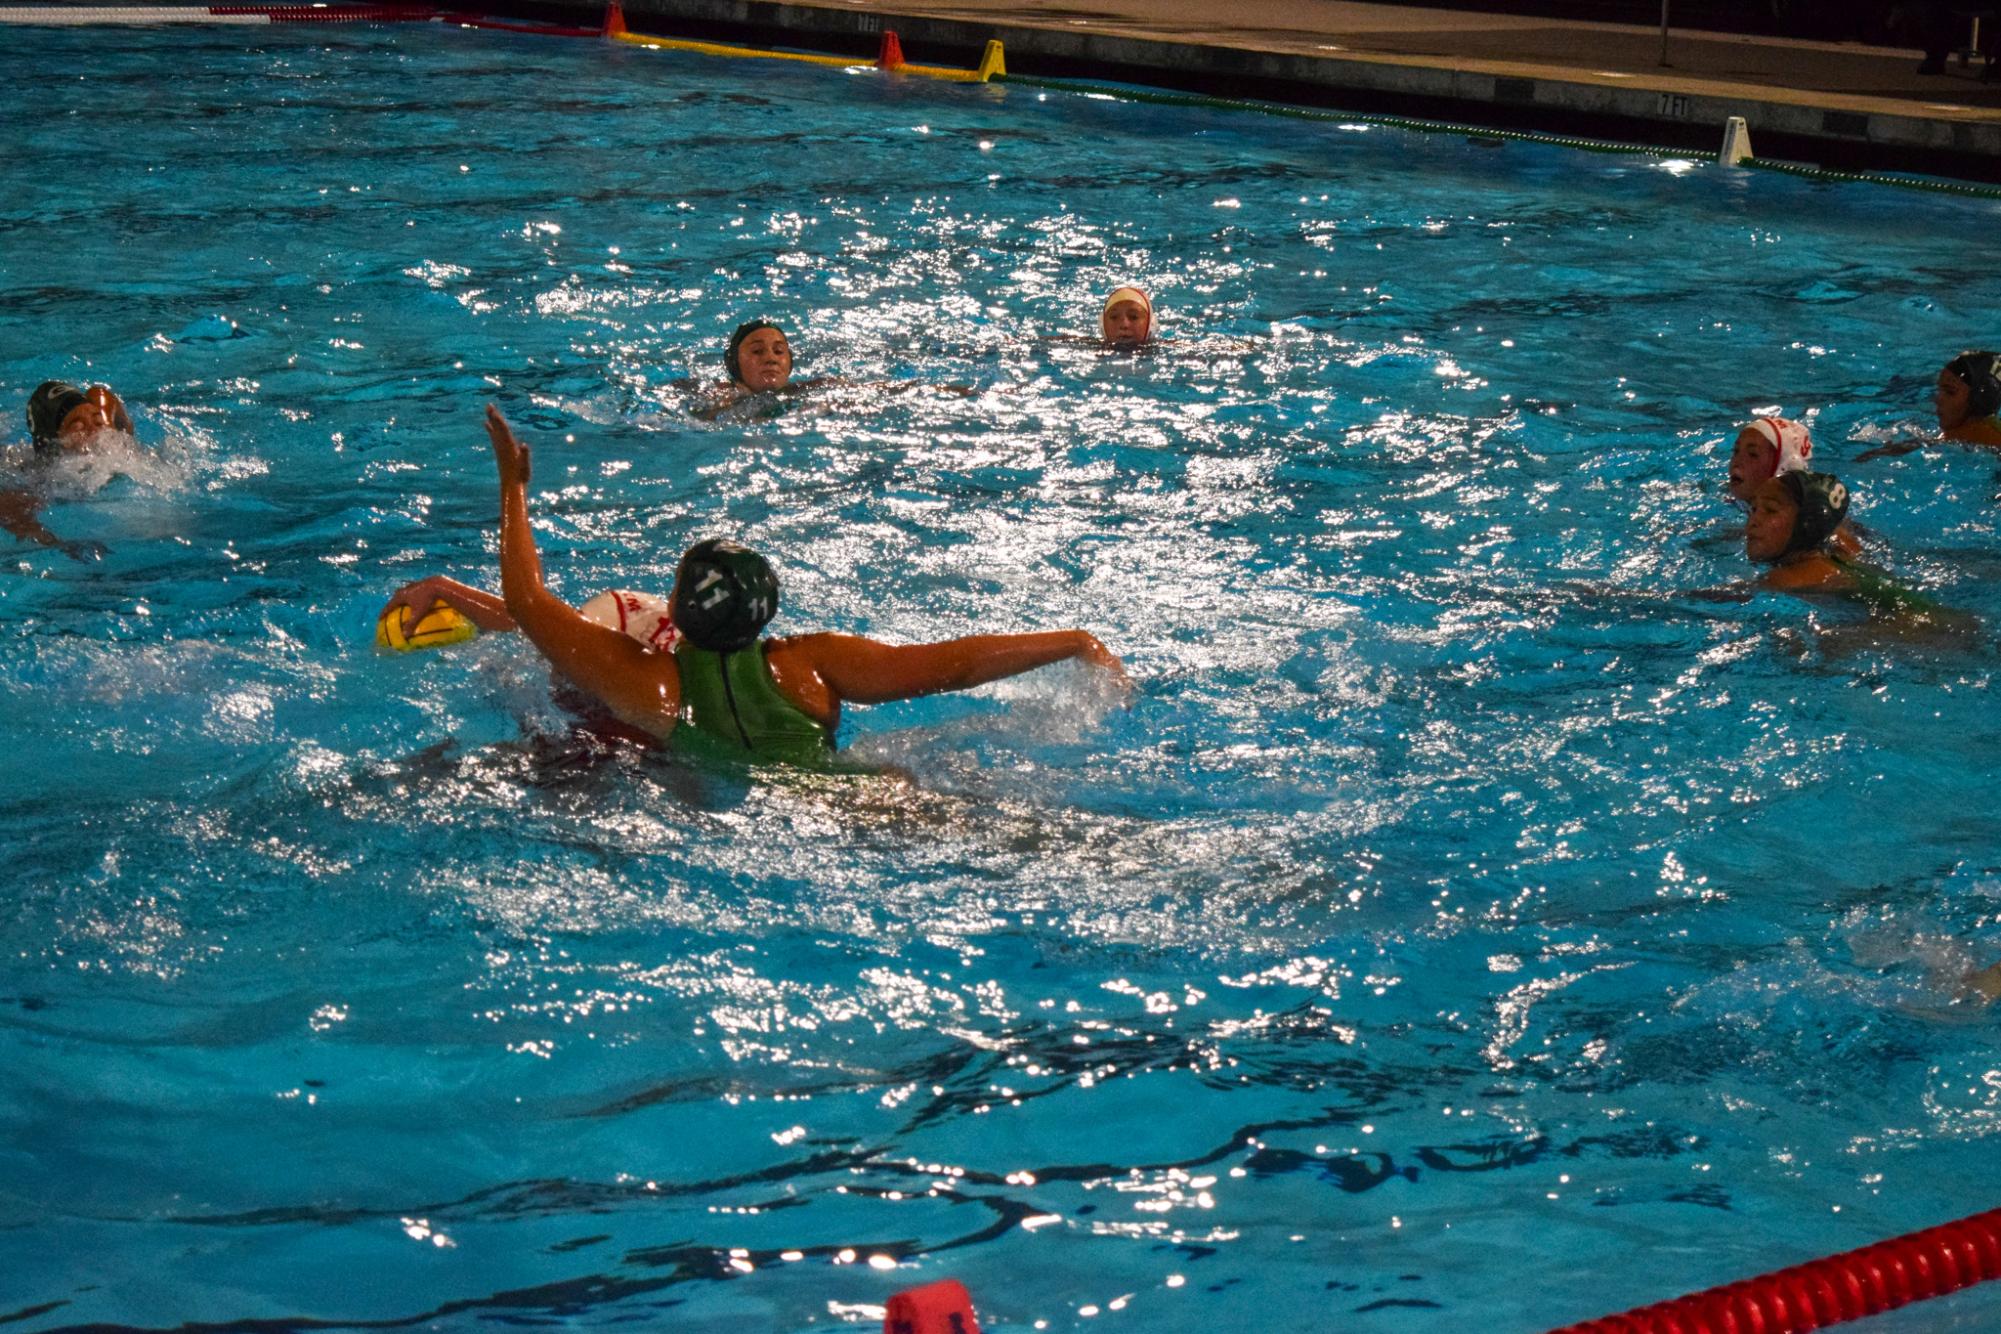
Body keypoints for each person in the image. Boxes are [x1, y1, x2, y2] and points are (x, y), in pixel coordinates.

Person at [477, 404, 1128, 762]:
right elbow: (956, 665)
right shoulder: (811, 665)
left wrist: (514, 488)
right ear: (767, 611)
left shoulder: (648, 681)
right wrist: (1071, 639)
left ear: (675, 610)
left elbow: (526, 601)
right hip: (850, 801)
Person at [1, 379, 135, 561]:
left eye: (97, 421)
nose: (95, 432)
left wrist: (129, 442)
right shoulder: (42, 482)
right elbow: (7, 511)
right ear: (53, 444)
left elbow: (100, 393)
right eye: (78, 427)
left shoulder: (105, 433)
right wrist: (61, 546)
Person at [1726, 416, 1863, 556]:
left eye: (1753, 454)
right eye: (1736, 451)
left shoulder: (1822, 525)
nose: (1737, 461)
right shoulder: (1734, 501)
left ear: (1783, 466)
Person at [1856, 350, 2001, 458]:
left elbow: (1932, 444)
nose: (1937, 399)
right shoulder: (1987, 428)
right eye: (1940, 390)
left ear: (1979, 400)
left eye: (1950, 392)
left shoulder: (1982, 434)